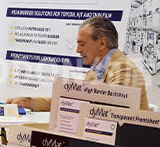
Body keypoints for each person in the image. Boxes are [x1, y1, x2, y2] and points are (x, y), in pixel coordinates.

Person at [13, 16, 150, 112]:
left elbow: (110, 113)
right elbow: (74, 101)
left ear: (102, 43)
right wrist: (29, 102)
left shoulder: (124, 70)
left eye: (82, 44)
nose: (77, 50)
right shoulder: (95, 71)